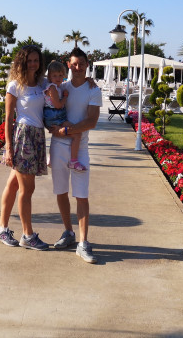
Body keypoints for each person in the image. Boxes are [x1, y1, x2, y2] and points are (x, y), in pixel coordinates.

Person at [0, 46, 50, 250]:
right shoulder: (15, 86)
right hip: (23, 137)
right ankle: (27, 235)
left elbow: (62, 82)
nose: (33, 64)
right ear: (22, 62)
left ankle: (1, 229)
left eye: (36, 60)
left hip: (37, 136)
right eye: (29, 60)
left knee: (13, 185)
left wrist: (87, 81)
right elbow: (8, 118)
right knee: (27, 189)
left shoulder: (42, 83)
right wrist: (8, 148)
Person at [48, 47, 102, 263]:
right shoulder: (61, 87)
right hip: (58, 146)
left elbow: (92, 121)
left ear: (87, 65)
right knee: (61, 192)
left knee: (81, 195)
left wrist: (67, 130)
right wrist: (54, 129)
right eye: (74, 64)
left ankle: (83, 242)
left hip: (80, 149)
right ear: (68, 65)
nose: (78, 67)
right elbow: (49, 110)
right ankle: (69, 232)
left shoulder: (93, 89)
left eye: (81, 64)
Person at [43, 60, 86, 172]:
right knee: (77, 134)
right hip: (55, 116)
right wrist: (65, 97)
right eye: (55, 75)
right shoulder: (52, 88)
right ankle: (73, 161)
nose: (58, 78)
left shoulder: (57, 87)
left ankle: (51, 159)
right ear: (49, 76)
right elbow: (58, 105)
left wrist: (87, 79)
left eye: (60, 75)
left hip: (54, 116)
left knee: (58, 135)